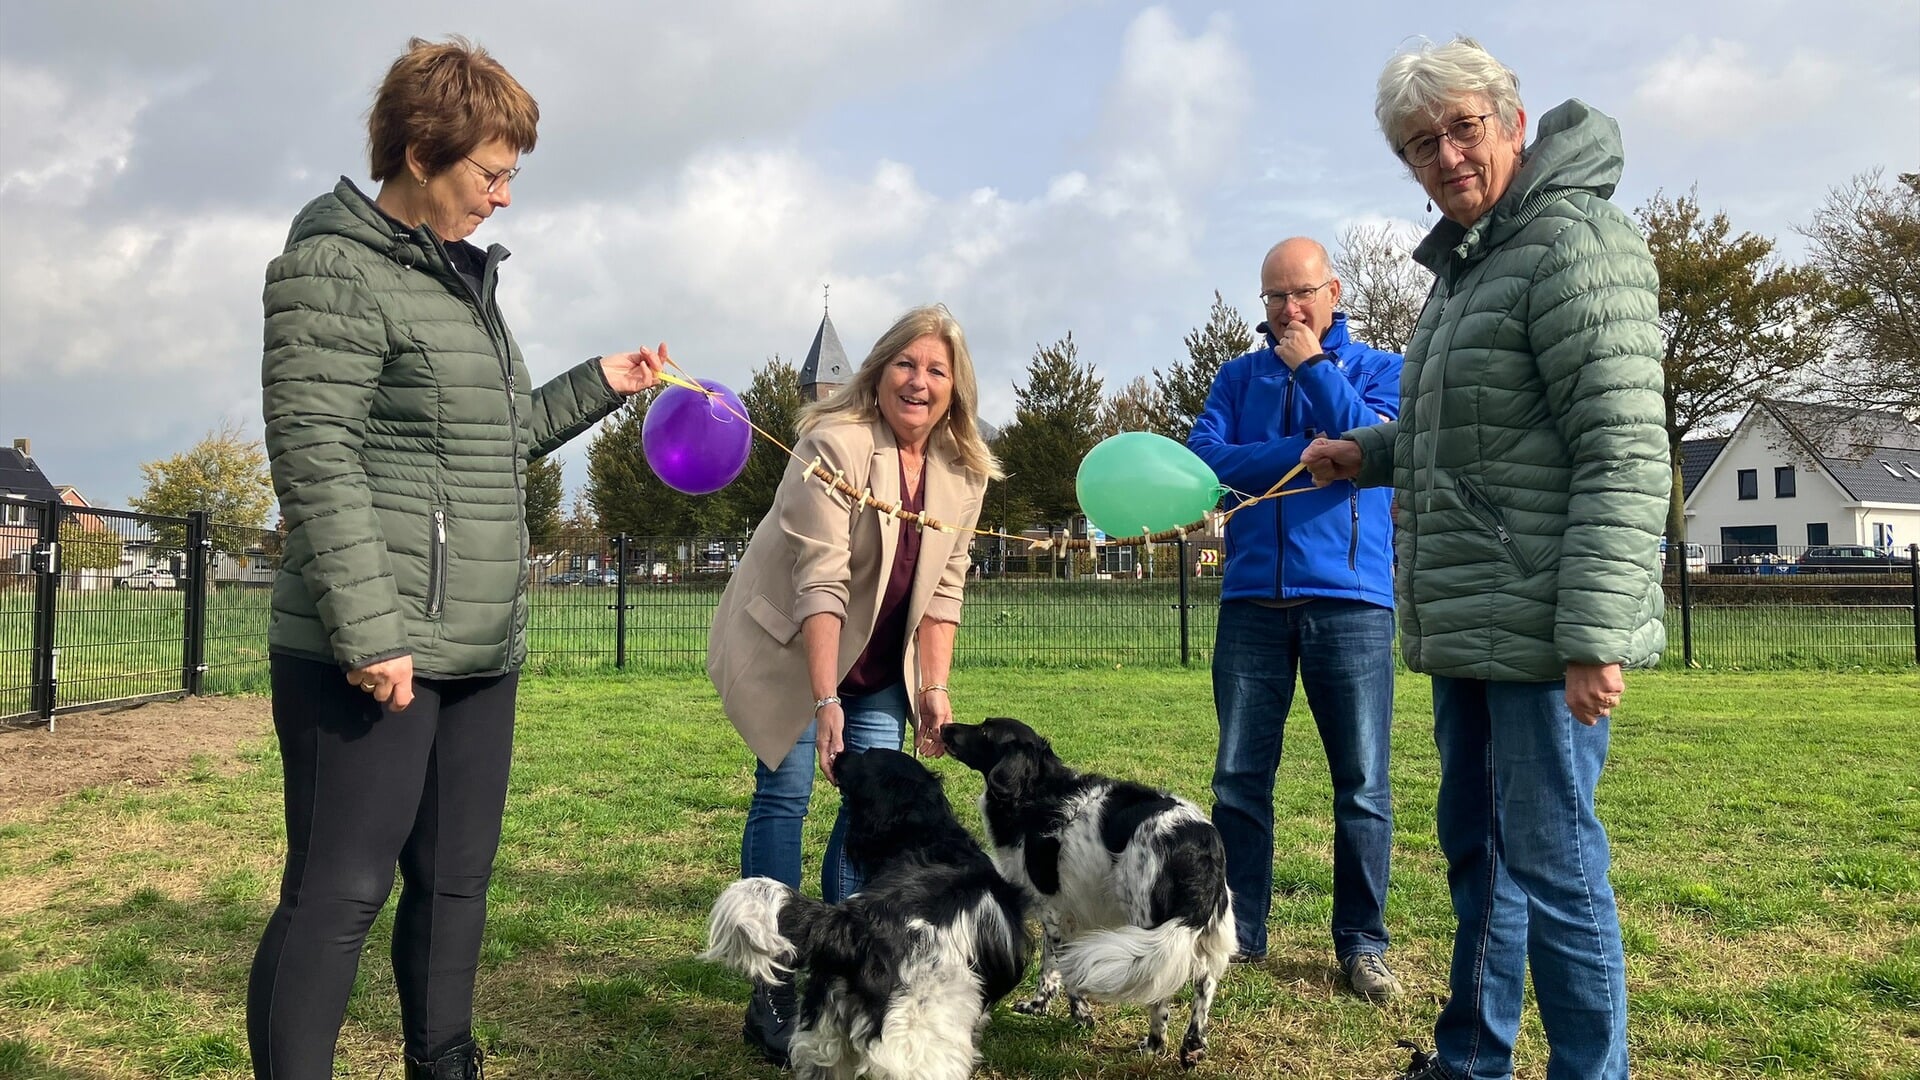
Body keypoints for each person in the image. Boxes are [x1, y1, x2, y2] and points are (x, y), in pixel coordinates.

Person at [249, 37, 666, 1080]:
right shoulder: (331, 267)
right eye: (492, 172)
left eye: (511, 174)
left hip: (479, 643)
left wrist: (599, 383)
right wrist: (370, 629)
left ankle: (446, 1065)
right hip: (372, 647)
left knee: (456, 885)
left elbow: (494, 436)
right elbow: (315, 455)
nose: (504, 198)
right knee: (339, 892)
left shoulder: (461, 286)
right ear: (423, 150)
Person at [1301, 36, 1668, 1080]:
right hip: (1472, 613)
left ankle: (1590, 1070)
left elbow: (1623, 444)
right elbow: (1472, 422)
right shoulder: (1468, 263)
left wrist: (1593, 635)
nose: (1447, 156)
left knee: (1553, 867)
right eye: (1422, 145)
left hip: (1542, 623)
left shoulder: (1571, 244)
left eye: (1462, 128)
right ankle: (1472, 1060)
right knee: (1483, 856)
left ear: (1513, 122)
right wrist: (1364, 453)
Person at [706, 303, 999, 1065]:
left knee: (867, 816)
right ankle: (770, 981)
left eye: (937, 370)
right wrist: (825, 698)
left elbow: (945, 588)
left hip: (879, 666)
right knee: (788, 792)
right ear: (879, 370)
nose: (920, 381)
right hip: (795, 645)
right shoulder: (830, 443)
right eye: (908, 363)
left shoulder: (963, 472)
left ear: (954, 387)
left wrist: (933, 688)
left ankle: (841, 972)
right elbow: (822, 580)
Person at [1186, 238, 1404, 1001]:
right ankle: (1240, 936)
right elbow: (1206, 465)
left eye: (1301, 292)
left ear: (1334, 291)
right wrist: (1306, 453)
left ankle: (1363, 943)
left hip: (1351, 604)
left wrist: (1314, 369)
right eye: (1274, 296)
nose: (1287, 309)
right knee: (1240, 778)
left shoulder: (1381, 368)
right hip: (1250, 601)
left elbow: (1372, 449)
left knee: (1363, 783)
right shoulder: (1236, 376)